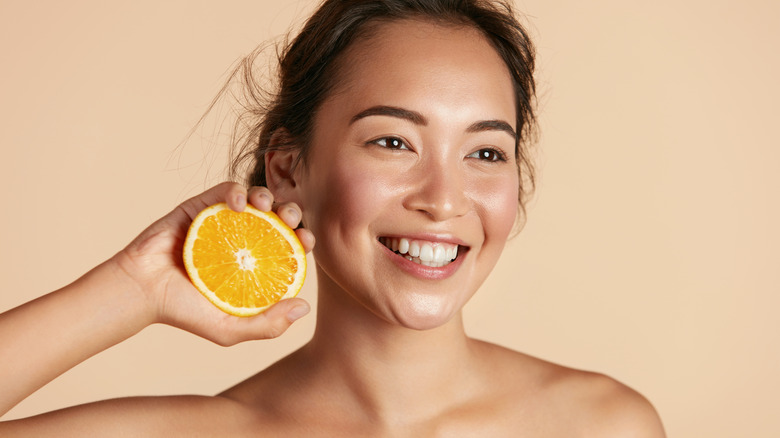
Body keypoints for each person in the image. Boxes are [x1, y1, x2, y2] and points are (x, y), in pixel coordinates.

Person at [0, 0, 666, 435]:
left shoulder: (604, 425)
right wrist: (132, 288)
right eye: (392, 141)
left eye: (486, 152)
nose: (443, 198)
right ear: (289, 168)